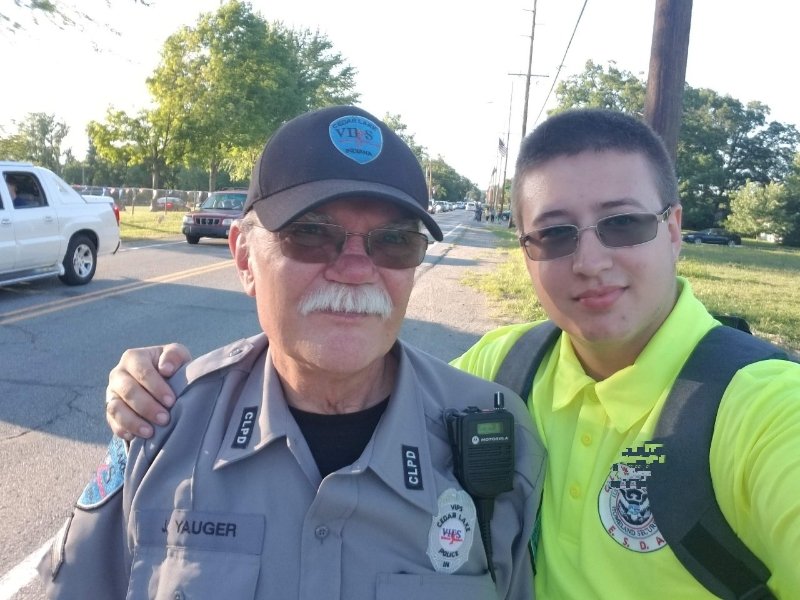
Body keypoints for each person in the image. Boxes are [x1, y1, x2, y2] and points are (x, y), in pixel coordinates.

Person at [104, 109, 800, 598]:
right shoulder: (506, 374)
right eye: (555, 234)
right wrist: (155, 385)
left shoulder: (767, 410)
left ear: (674, 230)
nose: (591, 260)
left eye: (623, 223)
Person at [39, 105, 542, 599]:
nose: (355, 269)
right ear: (243, 258)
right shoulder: (160, 424)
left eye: (393, 241)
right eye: (311, 234)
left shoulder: (495, 444)